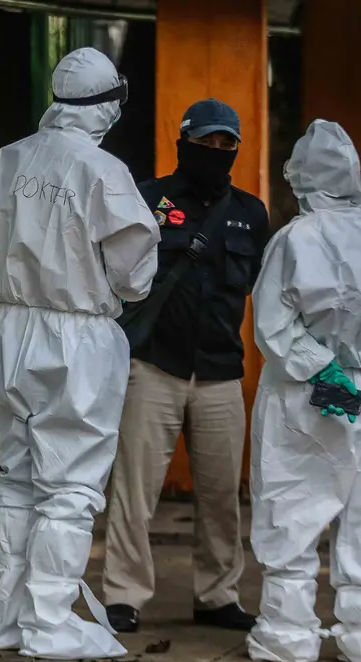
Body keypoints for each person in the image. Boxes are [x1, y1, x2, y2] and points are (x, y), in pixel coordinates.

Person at [0, 47, 161, 660]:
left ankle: (8, 616)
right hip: (77, 331)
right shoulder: (102, 170)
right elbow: (134, 271)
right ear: (106, 105)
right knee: (72, 483)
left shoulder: (5, 161)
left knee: (17, 478)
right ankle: (50, 621)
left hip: (11, 327)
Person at [247, 120, 361, 662]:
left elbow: (274, 325)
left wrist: (321, 369)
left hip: (310, 387)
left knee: (292, 502)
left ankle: (287, 631)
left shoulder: (297, 238)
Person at [102, 98, 269, 633]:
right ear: (184, 143)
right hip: (154, 368)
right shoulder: (146, 199)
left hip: (221, 372)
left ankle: (218, 594)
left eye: (227, 146)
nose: (216, 154)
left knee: (222, 496)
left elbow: (265, 293)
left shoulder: (251, 212)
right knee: (134, 492)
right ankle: (123, 595)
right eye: (206, 144)